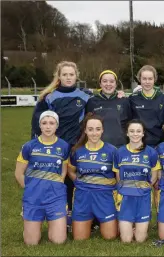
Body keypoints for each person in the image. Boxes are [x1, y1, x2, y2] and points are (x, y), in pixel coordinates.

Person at [30, 61, 92, 231]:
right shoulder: (48, 97)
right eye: (64, 74)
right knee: (56, 182)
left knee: (76, 182)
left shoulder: (85, 96)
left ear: (76, 76)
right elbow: (37, 125)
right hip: (55, 148)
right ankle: (57, 217)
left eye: (71, 74)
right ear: (59, 76)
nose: (68, 77)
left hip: (77, 147)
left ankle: (76, 217)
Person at [16, 110, 70, 245]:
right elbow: (18, 173)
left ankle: (56, 220)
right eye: (44, 123)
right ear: (39, 125)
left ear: (57, 125)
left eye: (51, 123)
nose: (48, 126)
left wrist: (56, 187)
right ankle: (30, 219)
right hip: (33, 197)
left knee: (59, 241)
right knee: (31, 242)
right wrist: (30, 190)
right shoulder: (29, 146)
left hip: (55, 197)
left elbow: (63, 172)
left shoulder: (63, 146)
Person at [67, 114, 118, 241]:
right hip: (83, 196)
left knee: (110, 237)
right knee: (79, 239)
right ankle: (70, 220)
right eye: (90, 129)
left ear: (102, 130)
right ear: (85, 130)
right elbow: (71, 170)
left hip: (105, 196)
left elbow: (119, 176)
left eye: (97, 129)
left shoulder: (112, 151)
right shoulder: (77, 151)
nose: (94, 133)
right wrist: (80, 183)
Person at [113, 120, 161, 243]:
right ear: (127, 133)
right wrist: (126, 189)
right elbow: (118, 177)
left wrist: (142, 188)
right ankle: (128, 228)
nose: (135, 134)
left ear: (143, 133)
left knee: (140, 239)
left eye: (138, 131)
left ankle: (138, 229)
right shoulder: (119, 152)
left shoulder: (151, 152)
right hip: (125, 197)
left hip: (143, 197)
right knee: (126, 240)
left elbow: (154, 177)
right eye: (132, 131)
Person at [86, 70, 132, 148]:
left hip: (120, 146)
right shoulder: (92, 101)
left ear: (116, 84)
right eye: (104, 81)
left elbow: (130, 123)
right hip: (98, 146)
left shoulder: (124, 101)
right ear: (100, 84)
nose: (108, 84)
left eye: (111, 81)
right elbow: (87, 125)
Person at [129, 65, 164, 148]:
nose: (147, 82)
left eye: (150, 79)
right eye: (144, 79)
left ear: (155, 79)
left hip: (158, 143)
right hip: (138, 143)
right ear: (140, 79)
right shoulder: (132, 98)